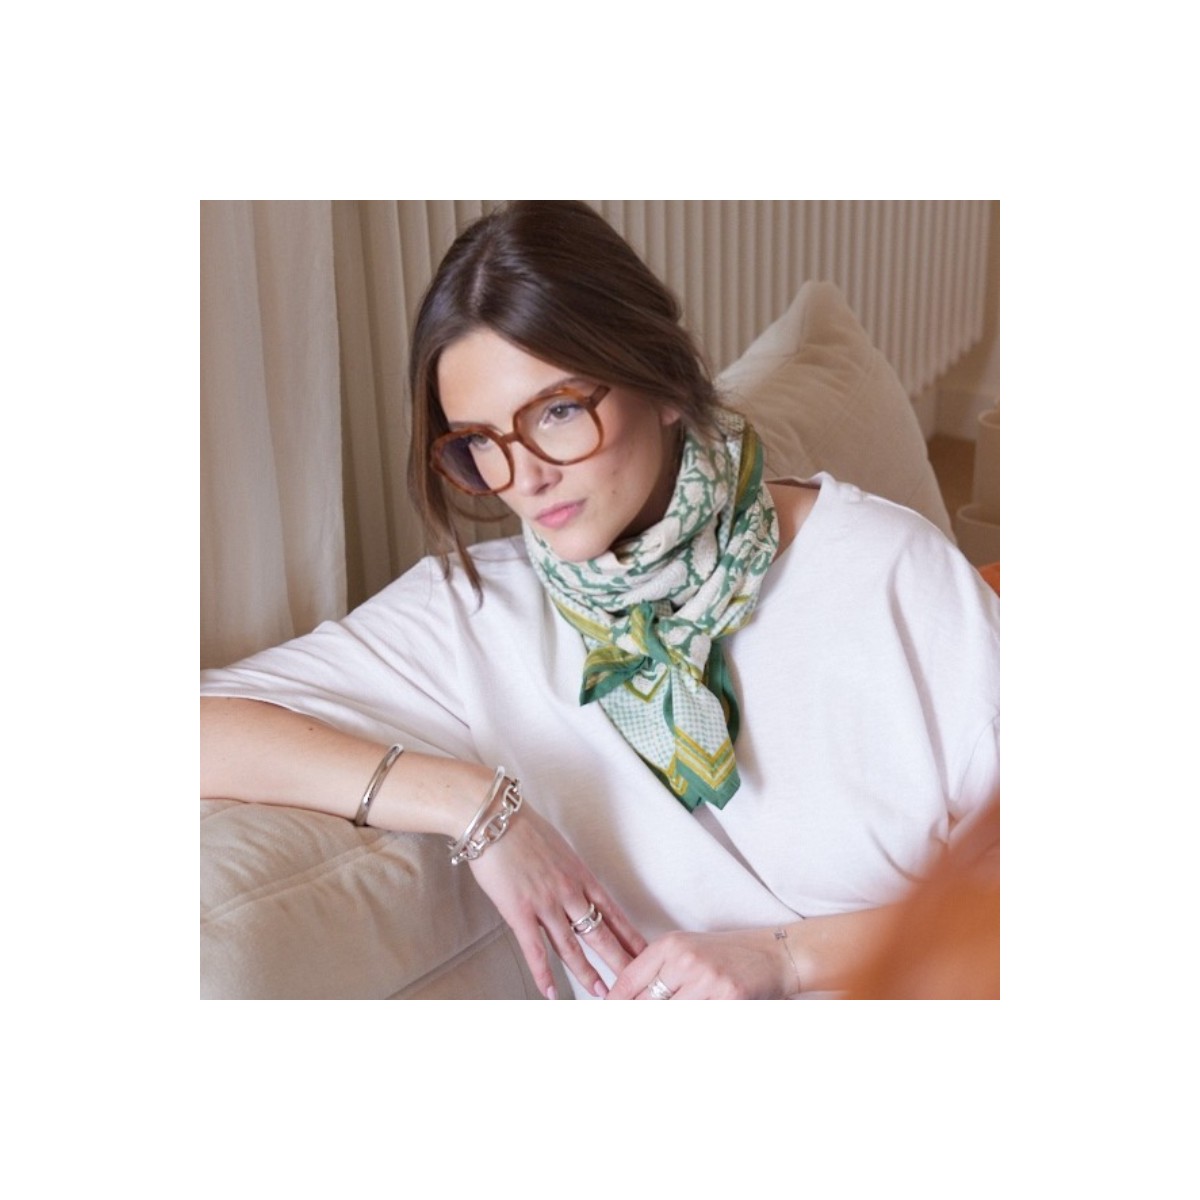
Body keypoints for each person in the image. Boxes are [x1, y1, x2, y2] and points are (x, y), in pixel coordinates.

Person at [200, 200, 999, 1000]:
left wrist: (786, 956)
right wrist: (478, 808)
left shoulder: (887, 572)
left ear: (664, 380)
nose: (525, 476)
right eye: (480, 440)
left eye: (557, 411)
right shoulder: (476, 616)